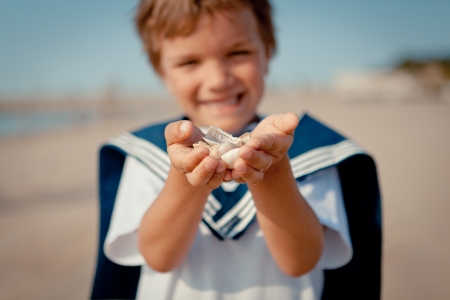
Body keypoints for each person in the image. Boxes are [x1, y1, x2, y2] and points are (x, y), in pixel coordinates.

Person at [91, 0, 382, 299]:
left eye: (238, 53)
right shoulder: (148, 153)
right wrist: (186, 175)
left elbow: (300, 261)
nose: (218, 80)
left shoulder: (310, 149)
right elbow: (159, 258)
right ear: (163, 73)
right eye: (189, 62)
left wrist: (273, 168)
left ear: (267, 52)